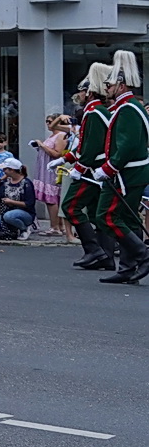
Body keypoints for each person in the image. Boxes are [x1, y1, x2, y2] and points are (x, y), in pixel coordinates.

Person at [97, 51, 149, 284]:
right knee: (127, 219)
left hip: (129, 171)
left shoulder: (128, 108)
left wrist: (109, 168)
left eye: (110, 82)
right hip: (132, 171)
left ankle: (142, 255)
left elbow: (126, 145)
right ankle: (129, 267)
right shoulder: (126, 106)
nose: (106, 86)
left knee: (106, 215)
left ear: (121, 84)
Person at [66, 63, 118, 271]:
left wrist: (79, 167)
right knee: (98, 213)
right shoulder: (97, 111)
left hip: (92, 170)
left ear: (88, 91)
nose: (78, 94)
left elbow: (92, 146)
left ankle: (93, 250)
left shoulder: (94, 112)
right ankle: (105, 256)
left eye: (81, 90)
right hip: (97, 169)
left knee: (70, 206)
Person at [32, 112, 74, 241]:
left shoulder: (61, 135)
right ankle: (58, 226)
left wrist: (42, 145)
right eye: (47, 121)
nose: (48, 124)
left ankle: (55, 226)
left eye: (50, 121)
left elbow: (58, 154)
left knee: (52, 198)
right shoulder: (53, 135)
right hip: (46, 168)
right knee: (50, 198)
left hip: (54, 170)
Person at [0, 159, 35, 239]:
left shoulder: (26, 183)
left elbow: (29, 203)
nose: (3, 171)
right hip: (6, 211)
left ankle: (24, 228)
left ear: (11, 170)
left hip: (25, 213)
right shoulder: (6, 181)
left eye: (5, 169)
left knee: (8, 216)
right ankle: (13, 229)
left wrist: (12, 202)